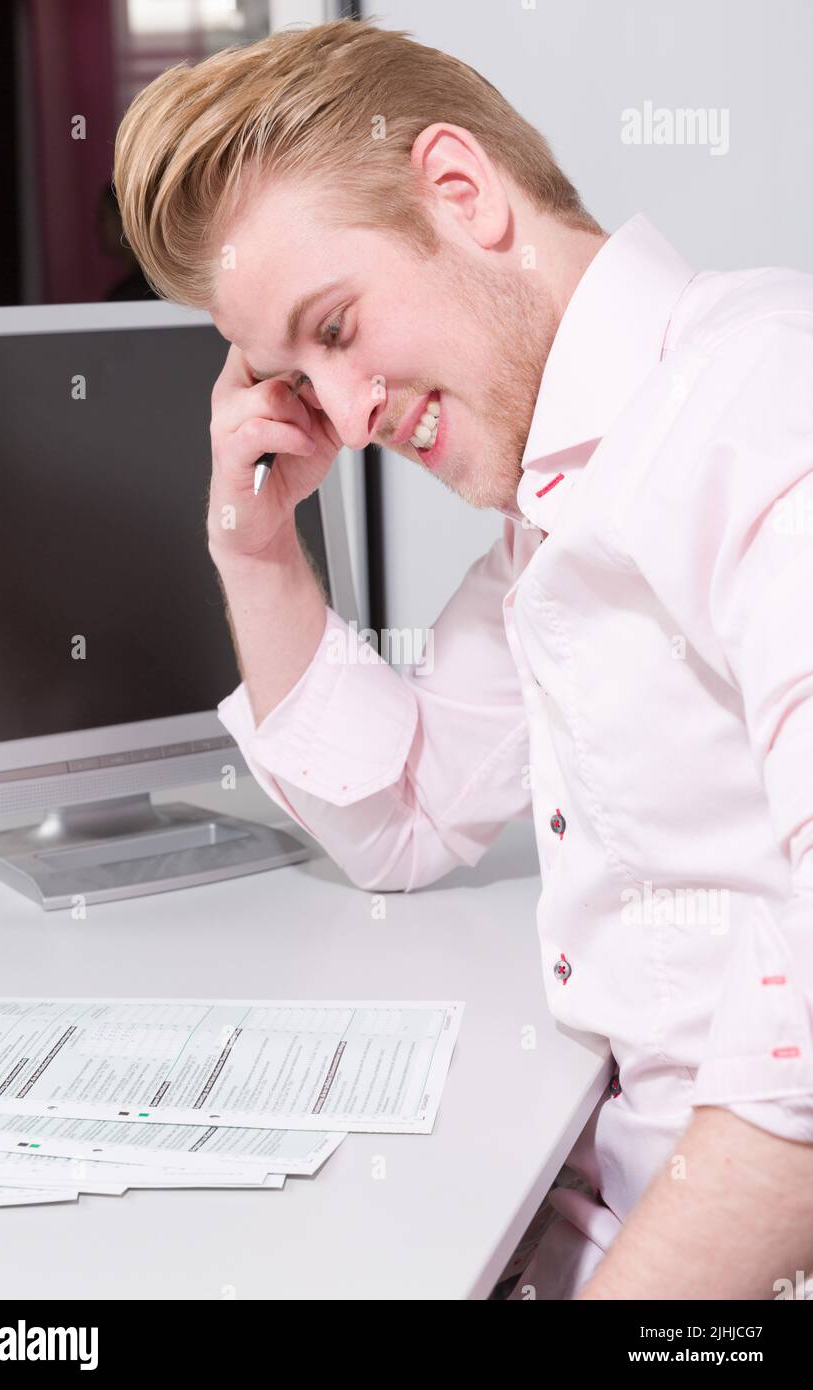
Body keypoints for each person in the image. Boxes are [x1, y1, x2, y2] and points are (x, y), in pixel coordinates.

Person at [113, 18, 813, 1299]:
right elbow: (405, 816)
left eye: (335, 326)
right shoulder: (551, 515)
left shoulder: (758, 402)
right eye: (293, 376)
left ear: (460, 191)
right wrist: (258, 548)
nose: (349, 414)